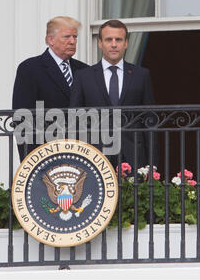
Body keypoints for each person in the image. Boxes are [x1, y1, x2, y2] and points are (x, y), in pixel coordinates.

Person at [70, 19, 158, 170]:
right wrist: (76, 159)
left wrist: (152, 164)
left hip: (133, 154)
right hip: (94, 154)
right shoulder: (83, 76)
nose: (114, 44)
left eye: (118, 39)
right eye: (108, 39)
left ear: (126, 43)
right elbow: (74, 120)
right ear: (100, 43)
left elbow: (149, 118)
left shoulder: (141, 75)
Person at [12, 16, 89, 161]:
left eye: (75, 37)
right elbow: (22, 117)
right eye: (67, 36)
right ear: (50, 40)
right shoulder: (30, 68)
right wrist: (32, 160)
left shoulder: (84, 70)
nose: (72, 41)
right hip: (46, 152)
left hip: (81, 153)